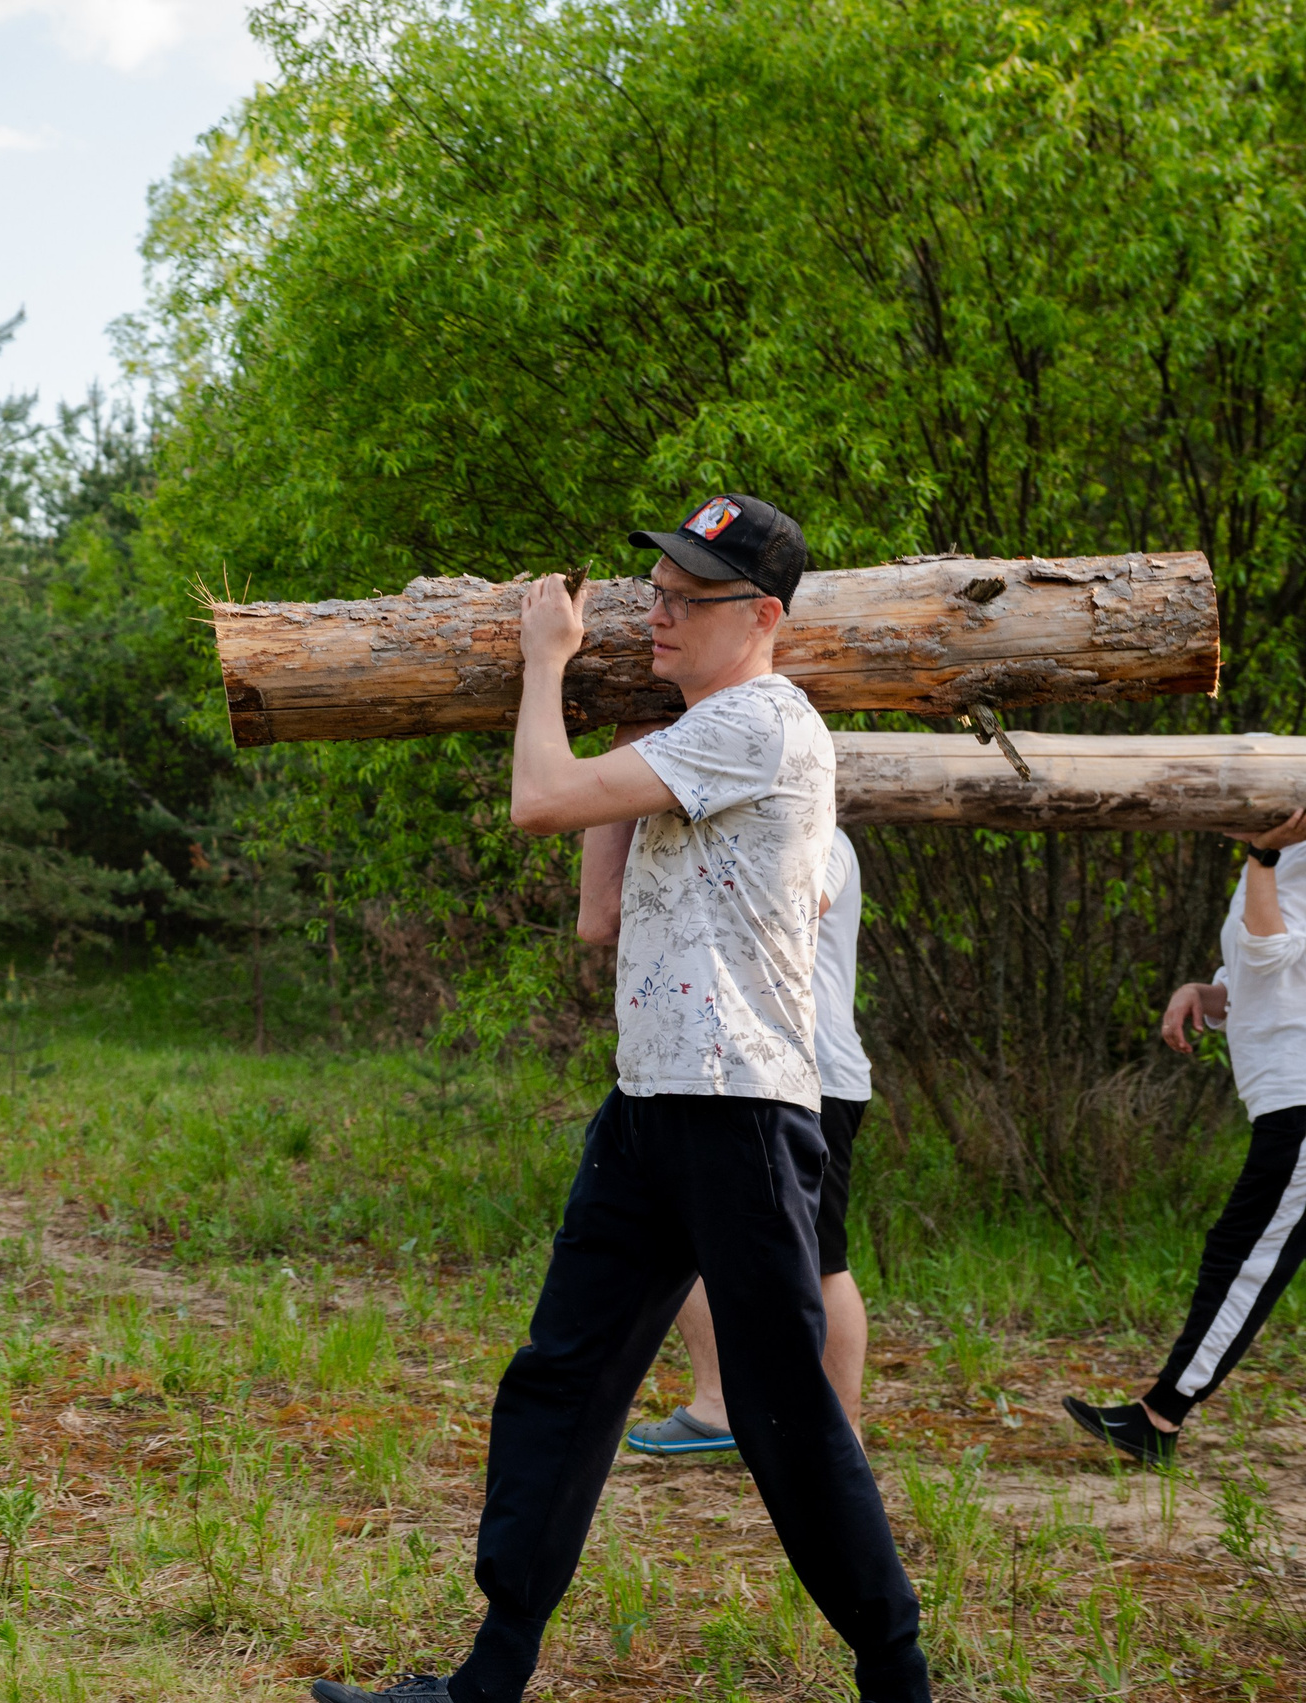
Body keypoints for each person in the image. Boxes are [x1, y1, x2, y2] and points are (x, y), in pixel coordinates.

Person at [311, 495, 928, 1703]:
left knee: (780, 1410)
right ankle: (486, 1678)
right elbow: (600, 917)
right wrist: (615, 738)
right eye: (655, 589)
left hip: (743, 1110)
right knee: (563, 1373)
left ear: (759, 617)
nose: (658, 609)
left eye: (686, 598)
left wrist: (545, 665)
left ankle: (896, 1676)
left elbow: (534, 798)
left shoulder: (764, 721)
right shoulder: (699, 735)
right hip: (648, 1103)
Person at [606, 826, 874, 1453]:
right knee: (682, 1239)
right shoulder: (710, 832)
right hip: (722, 1073)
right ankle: (719, 1407)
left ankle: (841, 1439)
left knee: (821, 1261)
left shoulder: (819, 834)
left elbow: (788, 914)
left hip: (814, 1078)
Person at [1065, 805, 1306, 1466]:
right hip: (1285, 1093)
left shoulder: (1283, 859)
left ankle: (1161, 1414)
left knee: (1245, 1258)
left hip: (1301, 1098)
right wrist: (1206, 990)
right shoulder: (1280, 861)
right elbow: (1269, 974)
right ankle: (1161, 1413)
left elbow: (1271, 950)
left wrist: (1262, 856)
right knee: (1242, 1251)